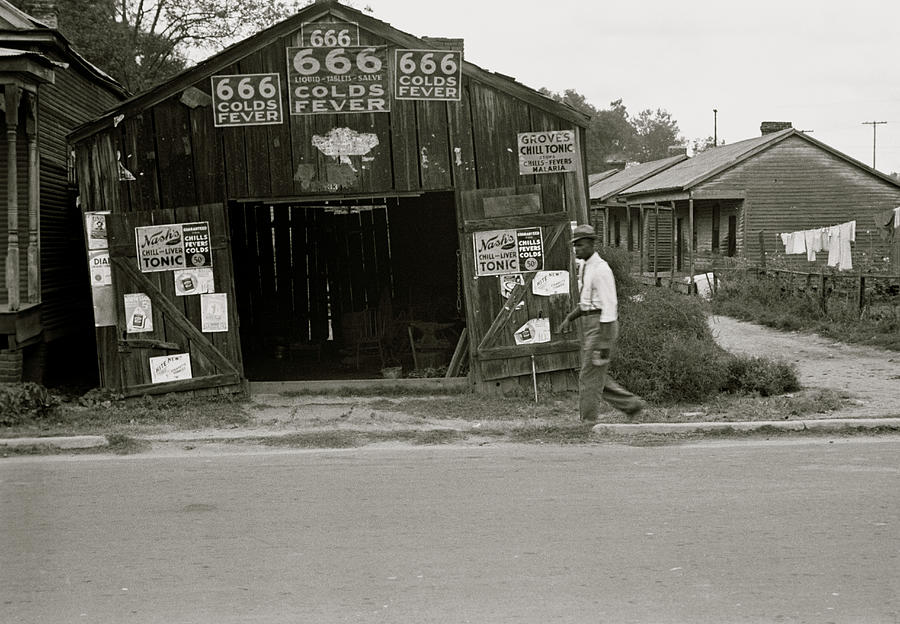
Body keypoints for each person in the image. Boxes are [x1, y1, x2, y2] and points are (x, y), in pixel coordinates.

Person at [559, 224, 644, 422]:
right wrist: (570, 318)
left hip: (602, 327)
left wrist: (604, 342)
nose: (577, 249)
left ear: (591, 244)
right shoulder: (585, 267)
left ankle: (587, 422)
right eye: (575, 245)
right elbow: (587, 303)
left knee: (588, 377)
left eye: (580, 245)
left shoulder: (601, 269)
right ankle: (632, 405)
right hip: (591, 325)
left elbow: (609, 306)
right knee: (596, 375)